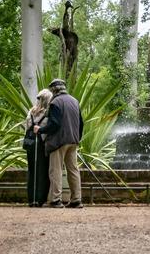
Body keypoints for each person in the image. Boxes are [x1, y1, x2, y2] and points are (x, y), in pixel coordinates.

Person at [34, 78, 84, 208]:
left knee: (55, 170)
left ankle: (55, 199)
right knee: (73, 170)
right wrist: (77, 138)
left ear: (54, 90)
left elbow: (54, 124)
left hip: (59, 141)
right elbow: (81, 123)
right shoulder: (75, 101)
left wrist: (40, 130)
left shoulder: (55, 102)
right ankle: (76, 199)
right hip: (73, 140)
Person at [24, 88, 52, 207]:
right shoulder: (47, 113)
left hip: (30, 144)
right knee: (43, 171)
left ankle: (31, 198)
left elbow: (27, 128)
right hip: (42, 145)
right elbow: (48, 131)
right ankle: (40, 199)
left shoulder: (31, 112)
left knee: (32, 170)